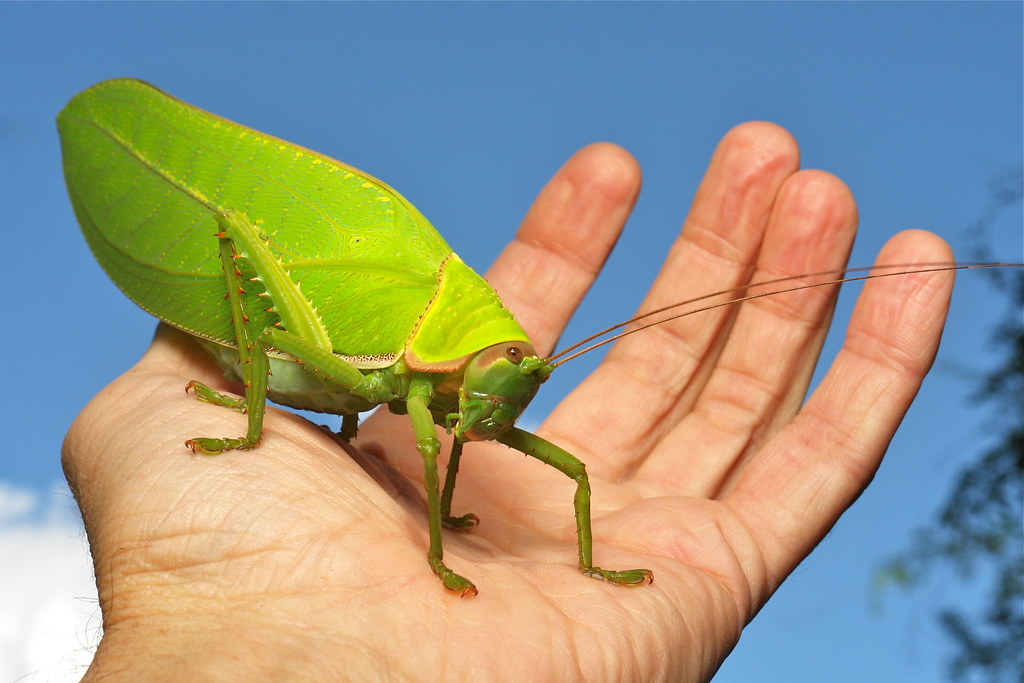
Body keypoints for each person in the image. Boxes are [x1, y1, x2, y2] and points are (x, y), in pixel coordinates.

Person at [62, 122, 953, 680]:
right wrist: (429, 557)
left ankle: (591, 561)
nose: (508, 403)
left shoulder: (470, 379)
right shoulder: (427, 363)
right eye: (506, 375)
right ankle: (253, 420)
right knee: (238, 232)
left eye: (520, 383)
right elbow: (413, 416)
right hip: (299, 346)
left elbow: (465, 430)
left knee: (563, 467)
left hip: (365, 371)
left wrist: (587, 568)